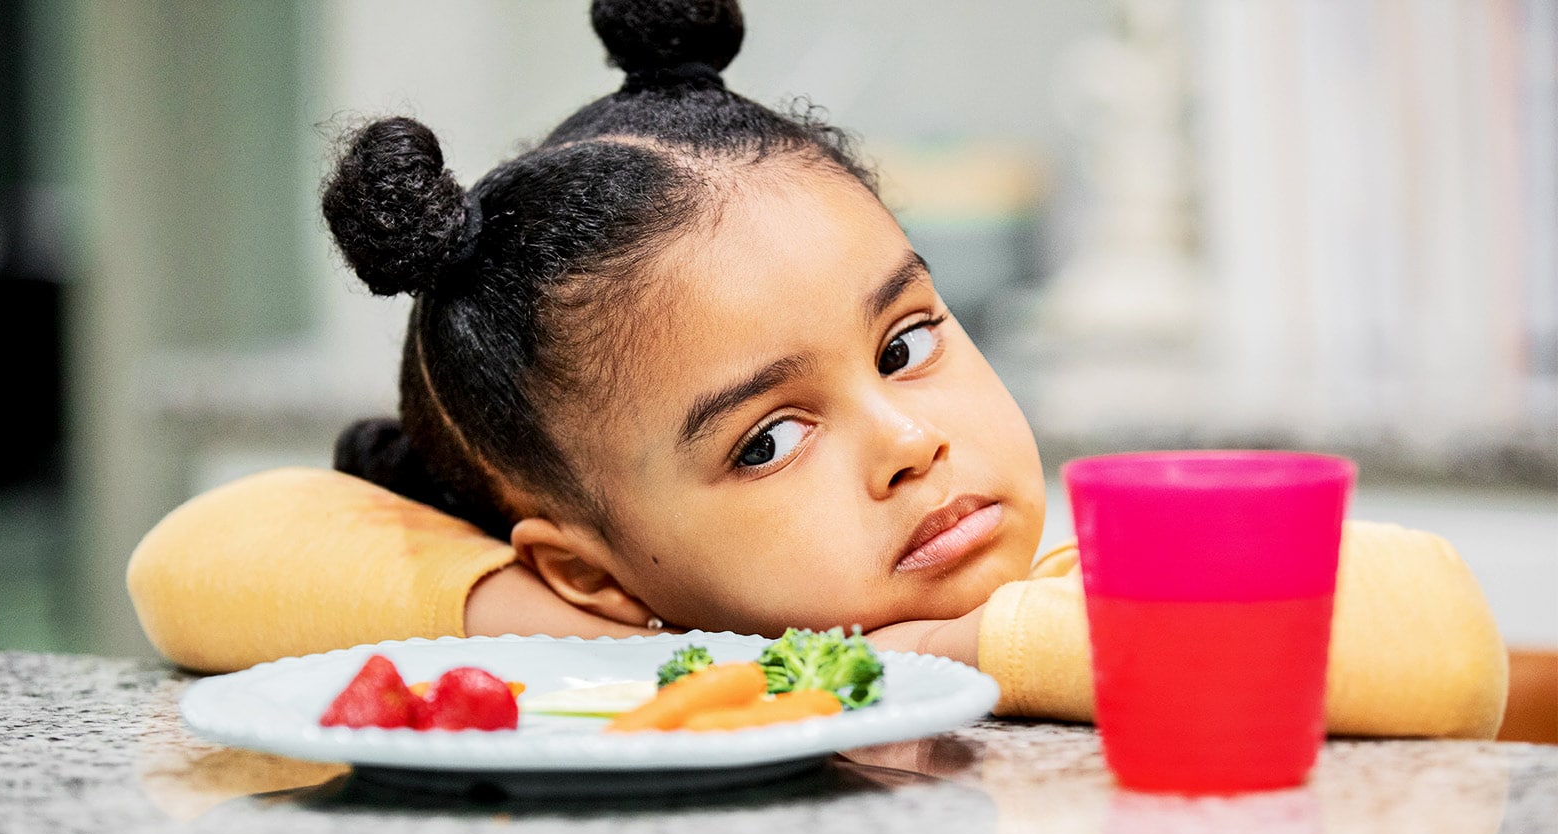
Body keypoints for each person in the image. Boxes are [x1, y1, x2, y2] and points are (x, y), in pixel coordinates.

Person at [127, 0, 1507, 739]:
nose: (908, 437)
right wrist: (651, 650)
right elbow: (195, 559)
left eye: (905, 342)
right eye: (767, 440)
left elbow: (1440, 642)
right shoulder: (656, 645)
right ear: (598, 569)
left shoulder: (1065, 591)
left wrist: (939, 657)